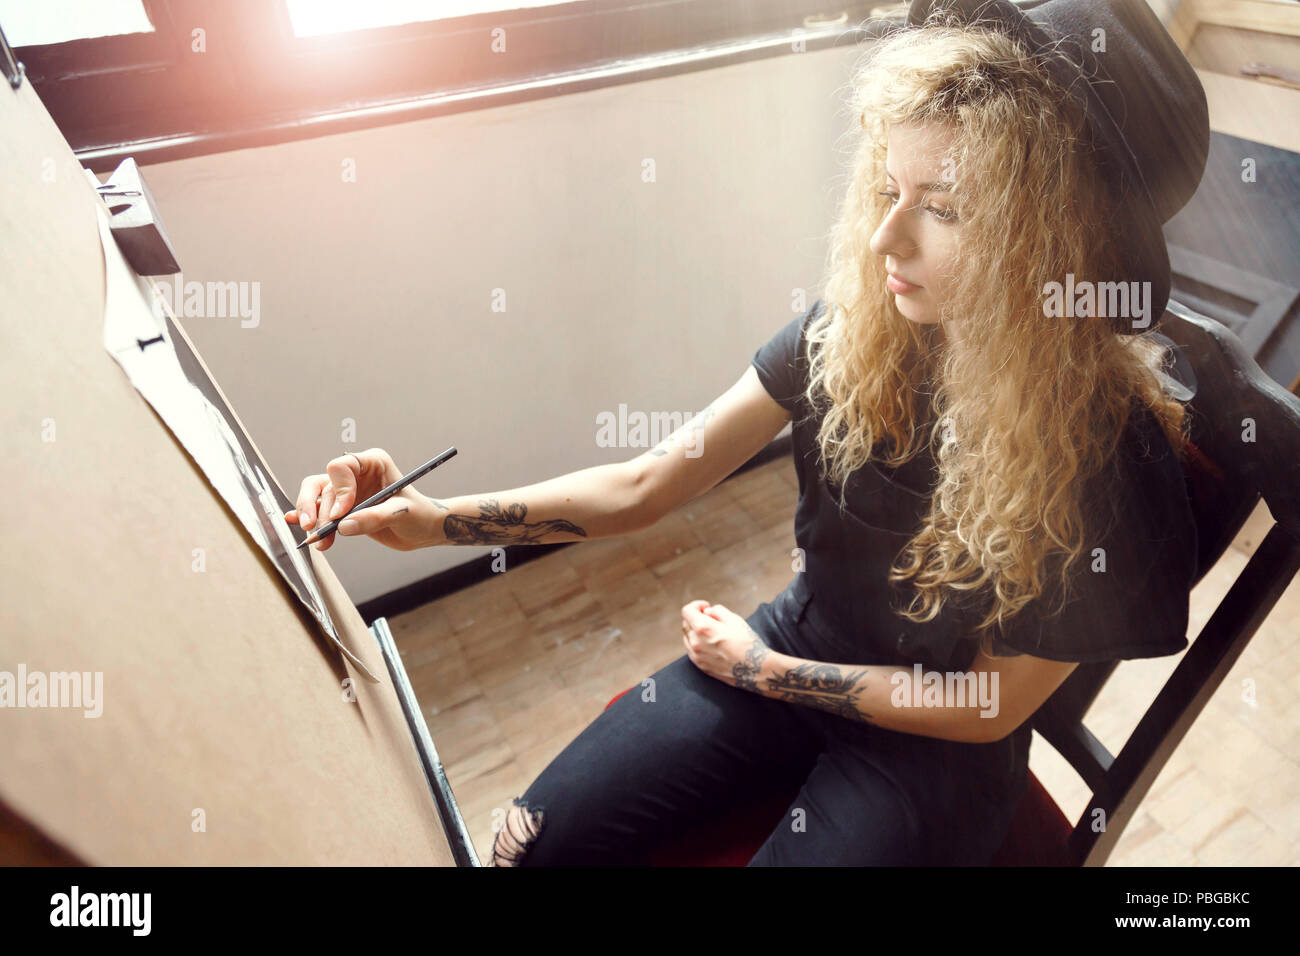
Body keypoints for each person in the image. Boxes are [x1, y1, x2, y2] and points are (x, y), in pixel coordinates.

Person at [286, 0, 1210, 865]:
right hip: (796, 639)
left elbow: (987, 706)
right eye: (891, 186)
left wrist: (766, 670)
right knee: (530, 845)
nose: (885, 238)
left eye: (945, 207)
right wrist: (436, 520)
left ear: (1050, 240)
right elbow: (649, 484)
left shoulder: (1113, 457)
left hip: (934, 753)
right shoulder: (859, 329)